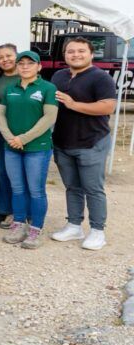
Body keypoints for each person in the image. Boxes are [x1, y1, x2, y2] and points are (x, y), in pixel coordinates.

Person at [49, 37, 117, 251]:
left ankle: (98, 231)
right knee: (72, 187)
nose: (75, 55)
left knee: (93, 188)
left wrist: (73, 104)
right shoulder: (58, 75)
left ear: (91, 53)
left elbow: (107, 107)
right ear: (65, 55)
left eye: (80, 51)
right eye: (71, 51)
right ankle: (74, 225)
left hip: (92, 142)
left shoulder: (100, 78)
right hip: (63, 141)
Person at [0, 51, 58, 249]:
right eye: (21, 63)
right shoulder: (11, 88)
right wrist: (10, 138)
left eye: (30, 63)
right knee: (17, 188)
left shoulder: (48, 88)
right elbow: (0, 116)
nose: (24, 66)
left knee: (36, 190)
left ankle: (35, 229)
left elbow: (49, 118)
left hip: (37, 148)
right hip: (12, 147)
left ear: (39, 67)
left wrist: (23, 138)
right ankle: (19, 224)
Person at [0, 43, 20, 230]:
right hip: (2, 133)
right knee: (4, 172)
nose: (5, 59)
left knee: (24, 174)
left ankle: (23, 212)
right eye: (1, 57)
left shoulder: (28, 77)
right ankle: (7, 211)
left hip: (25, 132)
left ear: (16, 56)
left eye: (9, 55)